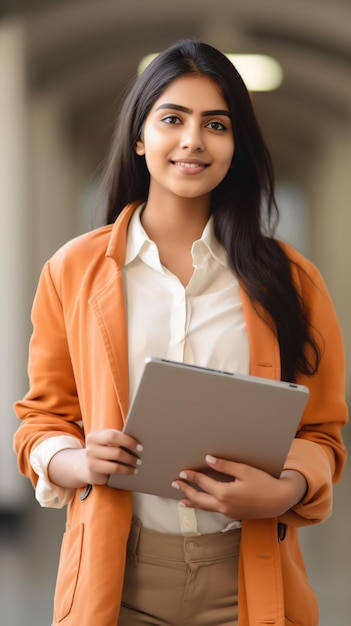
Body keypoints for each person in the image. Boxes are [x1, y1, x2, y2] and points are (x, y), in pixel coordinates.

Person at [13, 39, 348, 626]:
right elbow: (42, 421)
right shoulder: (72, 271)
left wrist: (286, 488)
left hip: (246, 575)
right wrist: (75, 460)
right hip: (116, 577)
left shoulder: (293, 282)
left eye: (215, 124)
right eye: (173, 119)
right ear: (141, 139)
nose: (193, 140)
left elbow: (322, 433)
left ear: (235, 146)